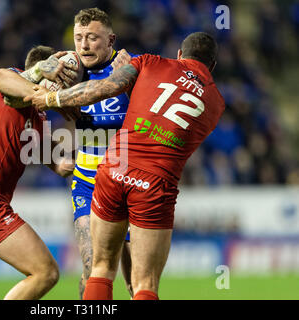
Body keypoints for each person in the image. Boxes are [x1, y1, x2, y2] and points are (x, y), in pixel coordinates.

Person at [25, 32, 225, 300]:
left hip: (114, 170)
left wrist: (52, 100)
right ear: (212, 66)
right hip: (153, 184)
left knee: (100, 269)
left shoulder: (150, 62)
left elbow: (105, 88)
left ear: (179, 54)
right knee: (144, 283)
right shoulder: (216, 103)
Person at [0, 45, 78, 300]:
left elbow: (56, 162)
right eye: (62, 79)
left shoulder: (39, 119)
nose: (64, 86)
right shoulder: (10, 83)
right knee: (46, 273)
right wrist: (41, 74)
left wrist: (75, 162)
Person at [69, 7, 137, 299]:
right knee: (92, 270)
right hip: (87, 183)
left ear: (111, 40)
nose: (84, 45)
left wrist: (134, 82)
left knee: (137, 281)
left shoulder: (129, 70)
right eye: (79, 37)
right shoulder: (70, 73)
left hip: (128, 186)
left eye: (92, 38)